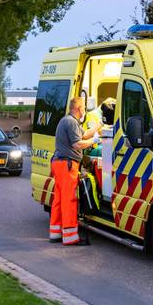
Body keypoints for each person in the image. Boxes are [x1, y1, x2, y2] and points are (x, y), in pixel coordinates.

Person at [49, 97, 101, 246]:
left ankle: (55, 233)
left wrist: (98, 127)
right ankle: (71, 237)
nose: (85, 109)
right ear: (79, 108)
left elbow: (83, 135)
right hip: (67, 165)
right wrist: (95, 141)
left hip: (59, 164)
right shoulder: (71, 122)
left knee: (59, 200)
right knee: (69, 200)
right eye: (84, 107)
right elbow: (78, 144)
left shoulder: (68, 121)